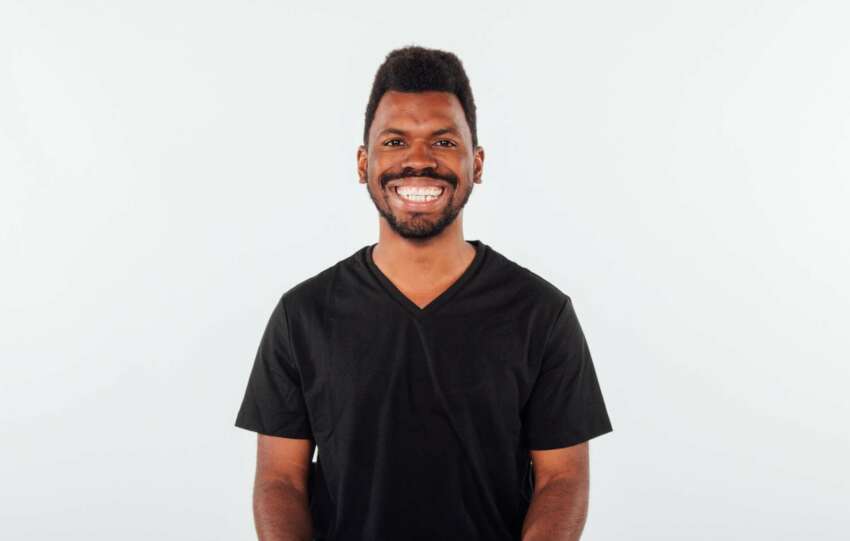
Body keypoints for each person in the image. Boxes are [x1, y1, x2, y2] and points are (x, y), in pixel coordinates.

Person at [234, 45, 613, 541]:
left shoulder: (541, 314)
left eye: (443, 141)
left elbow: (561, 480)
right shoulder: (302, 315)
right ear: (363, 163)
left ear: (477, 163)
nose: (418, 160)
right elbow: (280, 481)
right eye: (394, 141)